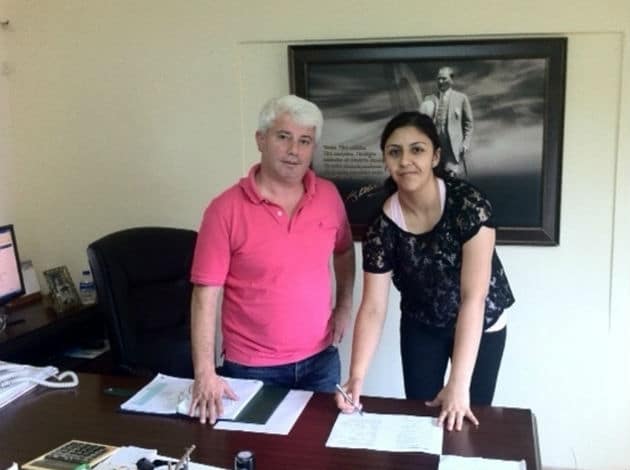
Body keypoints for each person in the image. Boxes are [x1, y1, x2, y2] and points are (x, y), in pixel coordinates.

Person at [336, 111, 514, 431]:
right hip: (422, 323)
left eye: (416, 150)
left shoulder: (469, 205)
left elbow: (474, 297)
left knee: (465, 414)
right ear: (386, 160)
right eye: (395, 152)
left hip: (480, 321)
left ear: (435, 156)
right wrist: (356, 376)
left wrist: (458, 383)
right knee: (420, 417)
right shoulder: (381, 226)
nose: (405, 161)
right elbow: (373, 307)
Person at [190, 95, 355, 424]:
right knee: (254, 450)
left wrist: (344, 306)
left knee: (320, 447)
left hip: (320, 362)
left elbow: (345, 250)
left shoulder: (328, 196)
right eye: (284, 137)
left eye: (305, 141)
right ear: (260, 140)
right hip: (252, 369)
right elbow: (204, 296)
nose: (294, 150)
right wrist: (204, 372)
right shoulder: (224, 210)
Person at [420, 66, 473, 178]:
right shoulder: (430, 99)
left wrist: (465, 143)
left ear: (451, 80)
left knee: (452, 176)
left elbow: (468, 124)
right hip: (435, 144)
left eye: (444, 78)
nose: (440, 81)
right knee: (436, 176)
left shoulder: (461, 98)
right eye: (438, 79)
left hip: (452, 145)